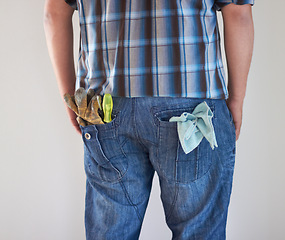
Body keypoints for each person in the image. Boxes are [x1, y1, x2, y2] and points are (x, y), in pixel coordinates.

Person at [43, 0, 254, 239]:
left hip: (106, 108)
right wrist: (236, 99)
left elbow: (54, 14)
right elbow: (238, 15)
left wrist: (69, 95)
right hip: (193, 104)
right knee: (199, 231)